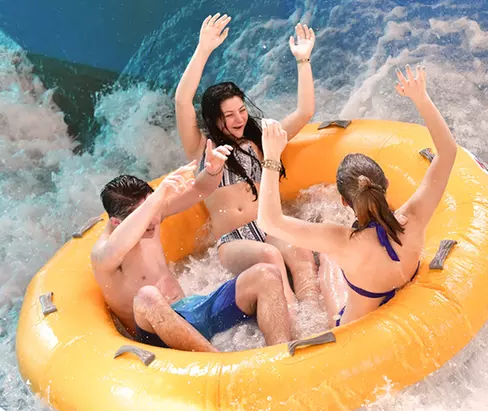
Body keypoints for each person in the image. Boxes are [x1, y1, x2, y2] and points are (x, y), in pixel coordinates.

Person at [257, 64, 458, 326]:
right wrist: (421, 98)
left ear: (344, 201)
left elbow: (268, 222)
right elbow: (448, 152)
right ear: (385, 182)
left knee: (328, 261)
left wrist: (271, 157)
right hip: (408, 307)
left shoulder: (341, 241)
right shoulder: (415, 216)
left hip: (355, 330)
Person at [174, 13, 319, 309]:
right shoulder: (203, 148)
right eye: (229, 115)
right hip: (233, 240)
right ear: (215, 120)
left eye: (241, 110)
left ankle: (314, 313)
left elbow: (305, 111)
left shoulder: (261, 138)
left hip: (267, 225)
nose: (239, 118)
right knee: (271, 257)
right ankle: (293, 317)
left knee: (300, 251)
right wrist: (203, 49)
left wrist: (303, 61)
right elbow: (181, 101)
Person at [91, 146, 292, 353]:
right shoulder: (103, 253)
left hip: (192, 312)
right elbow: (119, 245)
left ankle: (280, 357)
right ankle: (218, 363)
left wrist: (213, 171)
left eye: (154, 210)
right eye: (147, 213)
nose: (154, 220)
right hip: (159, 335)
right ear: (116, 222)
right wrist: (155, 199)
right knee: (147, 296)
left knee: (266, 274)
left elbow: (200, 190)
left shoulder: (153, 215)